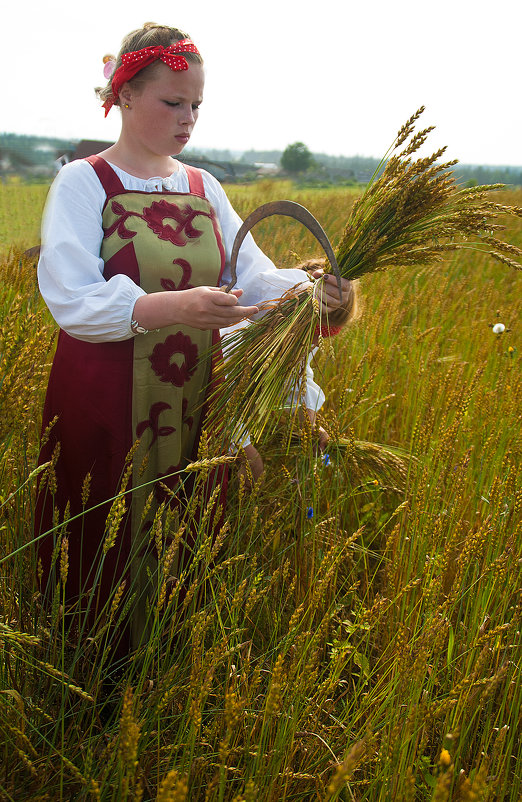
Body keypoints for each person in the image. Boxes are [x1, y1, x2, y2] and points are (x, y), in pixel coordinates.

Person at [35, 23, 354, 648]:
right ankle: (94, 673)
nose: (189, 119)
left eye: (197, 105)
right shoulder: (84, 183)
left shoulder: (205, 188)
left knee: (189, 526)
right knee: (106, 529)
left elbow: (254, 277)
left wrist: (314, 293)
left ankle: (173, 665)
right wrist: (173, 306)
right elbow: (71, 296)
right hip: (104, 396)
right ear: (125, 95)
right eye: (172, 102)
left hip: (194, 398)